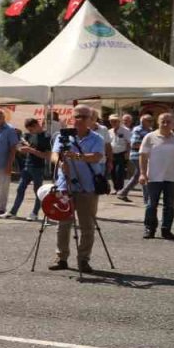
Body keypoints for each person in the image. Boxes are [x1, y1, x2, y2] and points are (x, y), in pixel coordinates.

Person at [49, 105, 106, 273]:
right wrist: (60, 163)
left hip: (87, 187)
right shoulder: (63, 136)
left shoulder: (97, 138)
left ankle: (83, 259)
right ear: (71, 118)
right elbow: (54, 155)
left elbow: (97, 157)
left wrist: (77, 157)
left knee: (87, 225)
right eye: (77, 116)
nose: (80, 119)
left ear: (91, 120)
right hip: (65, 185)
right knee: (63, 223)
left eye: (84, 117)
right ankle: (61, 258)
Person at [138, 112, 174, 240]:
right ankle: (150, 229)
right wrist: (142, 174)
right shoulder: (149, 137)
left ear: (173, 123)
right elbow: (143, 157)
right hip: (153, 176)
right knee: (151, 205)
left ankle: (166, 230)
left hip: (172, 177)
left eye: (168, 122)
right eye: (162, 121)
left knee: (169, 205)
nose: (165, 124)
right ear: (158, 123)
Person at [7, 118, 51, 220]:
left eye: (31, 129)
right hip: (27, 166)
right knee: (20, 189)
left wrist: (31, 150)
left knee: (38, 191)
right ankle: (13, 212)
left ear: (36, 125)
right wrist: (21, 148)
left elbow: (47, 156)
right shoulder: (29, 135)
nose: (30, 132)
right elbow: (20, 145)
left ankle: (34, 213)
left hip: (38, 167)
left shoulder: (46, 137)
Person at [116, 114, 154, 202]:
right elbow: (134, 144)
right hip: (137, 156)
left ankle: (123, 193)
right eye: (149, 120)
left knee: (138, 176)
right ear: (143, 121)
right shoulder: (138, 130)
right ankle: (147, 199)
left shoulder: (150, 130)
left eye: (152, 120)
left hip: (146, 156)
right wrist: (150, 146)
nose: (151, 122)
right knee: (144, 174)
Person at [107, 114, 131, 190]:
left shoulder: (125, 130)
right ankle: (116, 188)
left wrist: (127, 153)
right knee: (112, 172)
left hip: (121, 154)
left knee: (119, 172)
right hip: (111, 154)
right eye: (111, 121)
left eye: (115, 121)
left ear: (119, 122)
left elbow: (129, 142)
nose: (113, 123)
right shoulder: (109, 131)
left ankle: (120, 189)